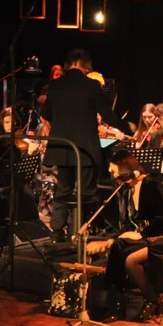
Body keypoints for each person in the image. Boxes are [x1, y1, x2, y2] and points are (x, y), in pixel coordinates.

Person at [86, 150, 163, 323]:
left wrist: (140, 234)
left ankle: (149, 301)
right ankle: (115, 303)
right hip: (143, 238)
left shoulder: (153, 186)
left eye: (114, 171)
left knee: (127, 257)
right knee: (118, 247)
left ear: (125, 170)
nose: (113, 175)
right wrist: (111, 240)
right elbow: (127, 225)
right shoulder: (126, 190)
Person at [40, 48, 120, 240]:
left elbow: (46, 114)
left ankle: (57, 232)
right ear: (79, 63)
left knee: (63, 188)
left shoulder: (55, 86)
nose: (88, 70)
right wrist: (128, 129)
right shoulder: (91, 85)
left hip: (62, 147)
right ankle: (79, 231)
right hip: (85, 149)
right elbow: (107, 113)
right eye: (87, 66)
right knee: (86, 192)